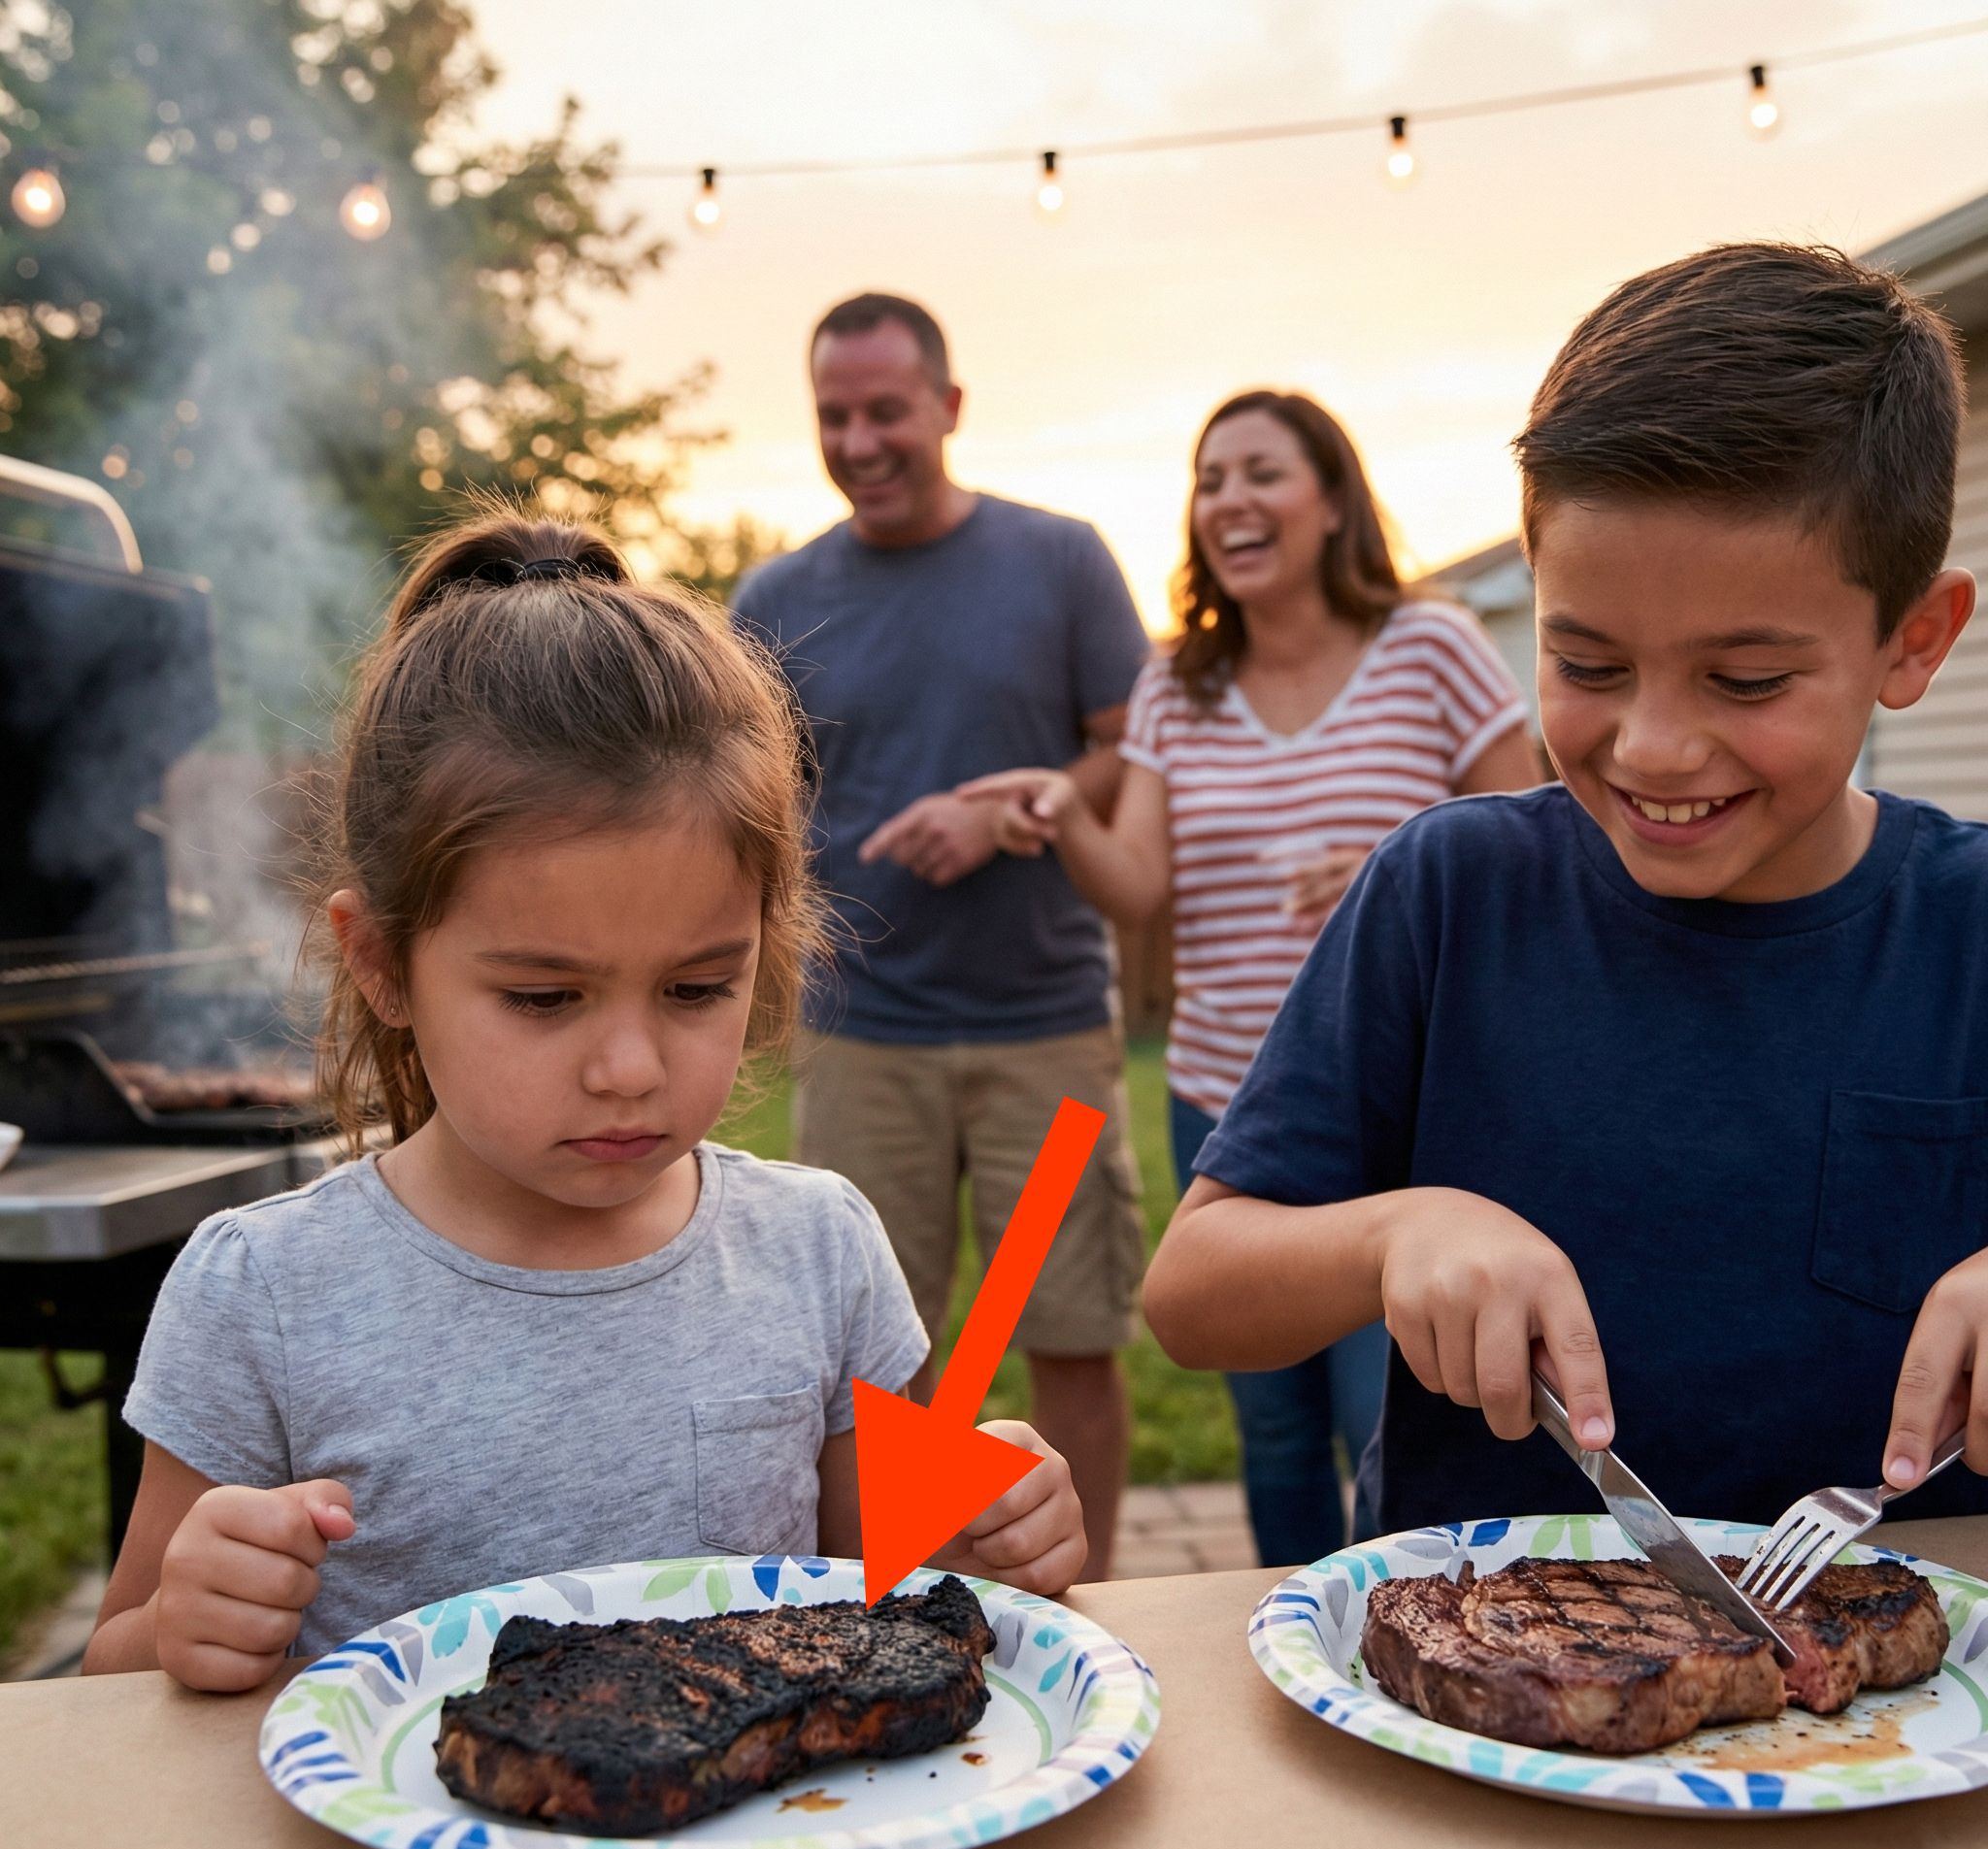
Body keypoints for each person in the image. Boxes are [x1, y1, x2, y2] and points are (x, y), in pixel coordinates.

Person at [81, 512, 1085, 1689]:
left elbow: (889, 1589)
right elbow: (112, 1673)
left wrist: (993, 1534)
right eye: (546, 996)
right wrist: (182, 1625)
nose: (628, 1067)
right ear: (382, 963)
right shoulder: (262, 1295)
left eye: (696, 986)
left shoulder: (818, 1250)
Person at [1143, 243, 1988, 1535]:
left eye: (1747, 680)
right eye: (1586, 662)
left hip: (1910, 1719)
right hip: (1477, 1685)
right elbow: (1193, 1290)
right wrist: (1393, 1235)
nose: (1652, 745)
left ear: (1913, 641)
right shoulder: (1451, 895)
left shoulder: (1968, 928)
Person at [963, 390, 1536, 1565]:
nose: (1229, 501)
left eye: (1260, 473)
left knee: (1383, 1416)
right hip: (1225, 1104)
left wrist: (1396, 863)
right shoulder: (1180, 684)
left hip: (1398, 1115)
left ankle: (1404, 1626)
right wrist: (1069, 812)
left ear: (1330, 501)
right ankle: (1281, 1644)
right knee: (1271, 1433)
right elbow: (1135, 888)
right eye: (1210, 481)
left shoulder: (1428, 646)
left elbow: (1529, 841)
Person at [731, 293, 1149, 1580]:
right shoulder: (777, 597)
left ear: (949, 408)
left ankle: (1077, 1602)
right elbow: (748, 800)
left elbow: (1126, 753)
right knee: (882, 1369)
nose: (859, 441)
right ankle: (902, 1603)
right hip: (868, 1039)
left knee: (1067, 1331)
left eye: (885, 411)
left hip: (1046, 1030)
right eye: (833, 416)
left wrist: (1012, 807)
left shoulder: (1063, 560)